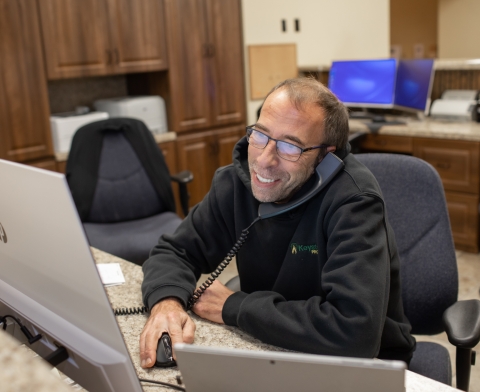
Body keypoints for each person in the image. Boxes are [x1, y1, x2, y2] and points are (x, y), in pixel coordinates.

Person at [139, 77, 416, 369]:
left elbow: (354, 331)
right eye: (260, 135)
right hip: (270, 345)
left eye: (290, 147)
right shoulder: (235, 183)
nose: (265, 160)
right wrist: (165, 303)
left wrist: (235, 306)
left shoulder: (355, 202)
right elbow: (175, 252)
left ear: (325, 157)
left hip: (362, 366)